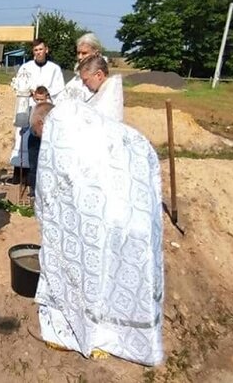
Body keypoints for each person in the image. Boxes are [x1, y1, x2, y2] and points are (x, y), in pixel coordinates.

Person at [33, 97, 164, 366]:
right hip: (131, 210)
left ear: (42, 123)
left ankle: (85, 332)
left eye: (38, 134)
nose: (42, 142)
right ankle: (117, 336)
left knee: (86, 274)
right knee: (115, 278)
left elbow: (52, 188)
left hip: (95, 219)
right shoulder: (95, 125)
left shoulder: (59, 130)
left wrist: (47, 218)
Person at [9, 39, 64, 184]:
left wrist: (45, 93)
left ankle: (41, 176)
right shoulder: (26, 68)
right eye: (35, 50)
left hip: (46, 109)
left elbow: (59, 90)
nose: (38, 52)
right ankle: (22, 175)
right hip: (28, 107)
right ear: (33, 52)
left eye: (41, 49)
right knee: (24, 137)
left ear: (46, 49)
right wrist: (29, 91)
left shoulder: (54, 69)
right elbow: (18, 85)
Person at [59, 32, 106, 103]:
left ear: (96, 53)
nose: (80, 57)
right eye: (78, 53)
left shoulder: (99, 78)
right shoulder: (75, 78)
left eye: (84, 53)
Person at [78, 54, 123, 122]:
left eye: (85, 80)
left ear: (99, 75)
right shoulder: (106, 91)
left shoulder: (106, 102)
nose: (84, 84)